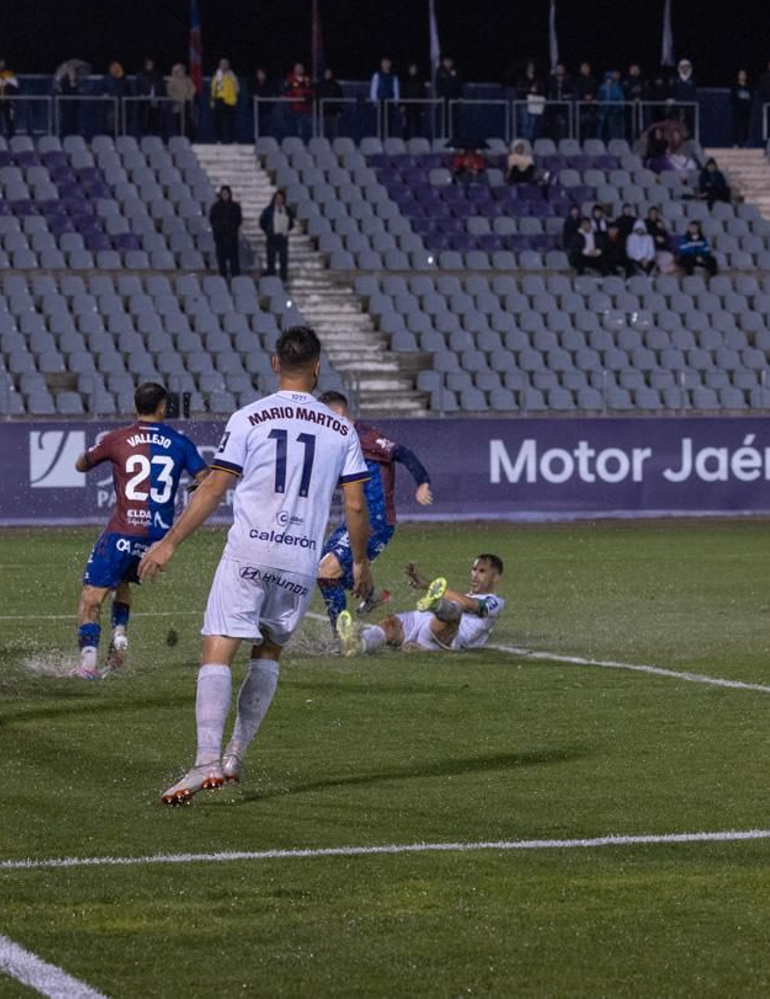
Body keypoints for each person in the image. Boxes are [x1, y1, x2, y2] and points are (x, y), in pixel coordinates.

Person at [138, 327, 373, 804]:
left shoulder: (250, 417)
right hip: (300, 560)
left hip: (249, 551)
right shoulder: (341, 429)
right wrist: (361, 562)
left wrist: (168, 543)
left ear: (274, 364)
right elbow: (354, 505)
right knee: (267, 652)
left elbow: (213, 487)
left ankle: (205, 761)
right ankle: (235, 756)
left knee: (217, 651)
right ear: (317, 367)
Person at [69, 383, 207, 680]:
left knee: (91, 596)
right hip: (158, 538)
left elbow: (82, 464)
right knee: (123, 582)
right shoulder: (180, 442)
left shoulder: (117, 438)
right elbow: (205, 478)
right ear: (163, 408)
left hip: (123, 531)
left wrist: (86, 457)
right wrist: (196, 486)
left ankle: (88, 665)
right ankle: (119, 633)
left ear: (135, 406)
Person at [314, 391, 433, 634]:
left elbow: (402, 452)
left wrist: (423, 482)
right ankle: (372, 594)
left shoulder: (365, 437)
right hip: (353, 520)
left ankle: (343, 636)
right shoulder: (337, 443)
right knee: (320, 571)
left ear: (338, 413)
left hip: (375, 521)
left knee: (327, 571)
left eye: (322, 417)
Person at [340, 556, 505, 656]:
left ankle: (437, 605)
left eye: (482, 571)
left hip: (449, 636)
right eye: (474, 569)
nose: (475, 575)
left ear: (495, 577)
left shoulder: (495, 601)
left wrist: (427, 585)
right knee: (390, 625)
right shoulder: (462, 594)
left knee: (457, 609)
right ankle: (358, 645)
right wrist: (428, 586)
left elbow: (470, 604)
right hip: (422, 619)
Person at [259, 188, 294, 282]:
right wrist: (268, 231)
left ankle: (283, 278)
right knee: (271, 259)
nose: (279, 200)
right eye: (277, 198)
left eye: (281, 198)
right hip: (272, 238)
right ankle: (272, 277)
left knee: (283, 259)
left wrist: (286, 230)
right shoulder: (268, 210)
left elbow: (291, 223)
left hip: (283, 238)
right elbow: (262, 222)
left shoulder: (287, 210)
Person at [209, 185, 242, 278]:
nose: (225, 195)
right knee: (221, 262)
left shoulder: (235, 207)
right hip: (220, 239)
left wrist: (231, 230)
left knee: (234, 262)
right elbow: (213, 220)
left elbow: (238, 220)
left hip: (232, 239)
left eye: (226, 193)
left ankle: (236, 280)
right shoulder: (215, 208)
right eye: (223, 194)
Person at [210, 58, 239, 143]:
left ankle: (231, 139)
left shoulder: (232, 75)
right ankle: (219, 139)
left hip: (230, 101)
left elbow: (237, 89)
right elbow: (213, 89)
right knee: (219, 120)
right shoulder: (217, 75)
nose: (223, 65)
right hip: (219, 99)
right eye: (222, 64)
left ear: (228, 65)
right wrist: (212, 100)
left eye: (225, 64)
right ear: (219, 65)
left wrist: (233, 79)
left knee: (230, 121)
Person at [283, 62, 314, 141]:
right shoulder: (290, 79)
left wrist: (306, 96)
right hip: (294, 109)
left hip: (306, 109)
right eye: (297, 68)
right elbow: (287, 92)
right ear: (294, 69)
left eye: (301, 68)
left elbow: (310, 91)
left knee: (307, 129)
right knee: (295, 129)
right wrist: (298, 96)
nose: (299, 70)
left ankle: (305, 143)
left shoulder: (307, 79)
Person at [369, 56, 399, 135]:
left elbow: (395, 89)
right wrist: (374, 100)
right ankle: (380, 138)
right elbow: (373, 88)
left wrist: (396, 101)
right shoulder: (377, 75)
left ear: (390, 64)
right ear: (381, 64)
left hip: (389, 102)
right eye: (384, 63)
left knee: (389, 121)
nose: (385, 64)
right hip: (380, 101)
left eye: (387, 63)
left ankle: (389, 138)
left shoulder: (394, 76)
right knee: (380, 121)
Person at [400, 61, 428, 139]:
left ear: (416, 70)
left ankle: (418, 140)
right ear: (409, 70)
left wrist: (423, 108)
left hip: (418, 105)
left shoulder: (420, 80)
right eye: (411, 69)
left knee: (418, 124)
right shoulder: (405, 80)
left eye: (414, 69)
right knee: (407, 124)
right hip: (407, 105)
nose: (413, 70)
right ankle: (406, 140)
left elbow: (423, 94)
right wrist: (402, 105)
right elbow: (402, 93)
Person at [166, 63, 195, 137]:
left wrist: (188, 96)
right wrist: (178, 98)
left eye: (183, 71)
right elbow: (170, 92)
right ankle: (179, 137)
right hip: (177, 104)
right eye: (180, 71)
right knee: (178, 121)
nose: (182, 72)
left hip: (186, 103)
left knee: (188, 121)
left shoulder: (187, 79)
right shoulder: (172, 80)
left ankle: (189, 137)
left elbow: (193, 88)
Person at [315, 66, 343, 137]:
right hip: (322, 113)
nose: (328, 75)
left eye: (329, 73)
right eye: (326, 73)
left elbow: (340, 98)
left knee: (333, 131)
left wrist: (339, 110)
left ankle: (333, 143)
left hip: (333, 113)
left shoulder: (336, 86)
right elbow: (316, 97)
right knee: (321, 131)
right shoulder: (319, 85)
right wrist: (317, 110)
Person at [729, 69, 754, 146]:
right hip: (737, 110)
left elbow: (752, 98)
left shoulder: (749, 87)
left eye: (743, 75)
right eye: (741, 74)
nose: (742, 76)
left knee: (746, 127)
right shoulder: (735, 87)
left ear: (746, 76)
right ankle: (735, 143)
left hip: (746, 110)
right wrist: (737, 106)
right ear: (738, 76)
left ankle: (745, 143)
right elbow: (732, 98)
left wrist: (748, 106)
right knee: (736, 127)